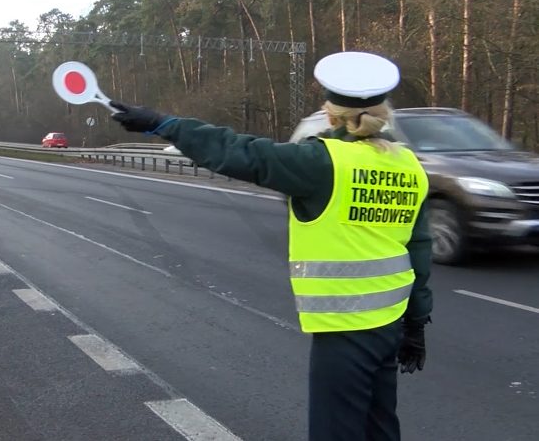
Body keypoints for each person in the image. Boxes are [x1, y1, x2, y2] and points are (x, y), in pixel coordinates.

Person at [109, 51, 432, 441]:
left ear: (330, 113)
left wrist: (165, 123)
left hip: (346, 327)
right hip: (390, 322)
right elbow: (419, 247)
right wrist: (416, 324)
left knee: (336, 429)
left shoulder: (322, 162)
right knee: (381, 426)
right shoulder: (408, 164)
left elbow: (241, 152)